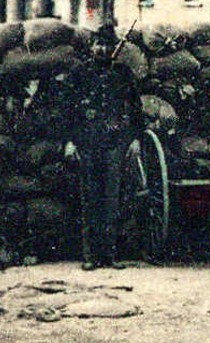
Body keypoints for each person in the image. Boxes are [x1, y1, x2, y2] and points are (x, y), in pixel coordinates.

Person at [50, 18, 144, 270]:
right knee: (90, 198)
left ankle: (110, 256)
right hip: (87, 142)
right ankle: (90, 256)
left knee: (112, 199)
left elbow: (135, 109)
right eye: (98, 45)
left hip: (115, 142)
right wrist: (69, 141)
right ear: (91, 46)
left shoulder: (123, 74)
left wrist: (135, 138)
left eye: (107, 45)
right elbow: (66, 110)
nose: (102, 50)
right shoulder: (79, 74)